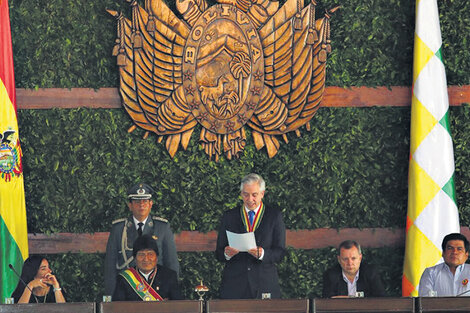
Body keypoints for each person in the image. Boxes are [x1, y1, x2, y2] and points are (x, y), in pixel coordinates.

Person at [215, 173, 286, 299]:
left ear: (262, 194)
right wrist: (226, 253)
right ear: (241, 193)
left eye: (254, 195)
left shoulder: (274, 216)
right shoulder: (229, 216)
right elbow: (219, 253)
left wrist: (263, 254)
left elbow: (280, 253)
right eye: (246, 194)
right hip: (234, 285)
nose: (250, 199)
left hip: (264, 283)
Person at [104, 183, 180, 295]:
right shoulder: (119, 229)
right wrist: (110, 296)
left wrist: (172, 293)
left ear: (151, 204)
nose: (141, 205)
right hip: (127, 290)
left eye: (145, 201)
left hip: (156, 291)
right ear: (130, 205)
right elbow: (110, 266)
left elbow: (172, 263)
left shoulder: (162, 227)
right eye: (137, 201)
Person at [112, 234, 183, 301]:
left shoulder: (169, 276)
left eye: (150, 254)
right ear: (134, 258)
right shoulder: (124, 279)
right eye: (141, 254)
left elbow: (178, 306)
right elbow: (117, 307)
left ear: (157, 257)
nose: (146, 259)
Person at [419, 233, 470, 297]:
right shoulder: (431, 273)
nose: (454, 252)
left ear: (466, 255)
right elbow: (425, 301)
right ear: (443, 253)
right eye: (450, 248)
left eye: (459, 249)